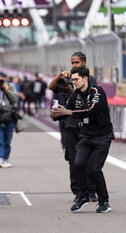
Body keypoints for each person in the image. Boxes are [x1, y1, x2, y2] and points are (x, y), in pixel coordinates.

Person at [51, 67, 113, 213]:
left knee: (94, 169)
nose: (74, 82)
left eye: (76, 79)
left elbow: (91, 111)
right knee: (77, 164)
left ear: (85, 78)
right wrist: (57, 113)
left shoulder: (98, 92)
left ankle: (104, 201)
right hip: (86, 136)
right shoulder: (75, 94)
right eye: (72, 80)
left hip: (102, 136)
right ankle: (83, 196)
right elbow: (66, 110)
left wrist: (68, 112)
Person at [49, 51, 97, 203]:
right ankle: (78, 190)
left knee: (88, 159)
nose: (74, 65)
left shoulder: (89, 79)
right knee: (73, 160)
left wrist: (73, 90)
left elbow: (90, 99)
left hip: (84, 125)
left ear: (83, 63)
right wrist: (59, 76)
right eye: (72, 63)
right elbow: (51, 87)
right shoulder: (66, 79)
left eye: (76, 62)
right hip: (69, 125)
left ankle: (91, 190)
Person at [0, 71, 18, 168]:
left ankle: (6, 158)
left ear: (6, 78)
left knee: (7, 138)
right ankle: (0, 158)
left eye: (2, 78)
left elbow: (15, 99)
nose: (0, 80)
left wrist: (7, 90)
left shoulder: (11, 86)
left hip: (8, 114)